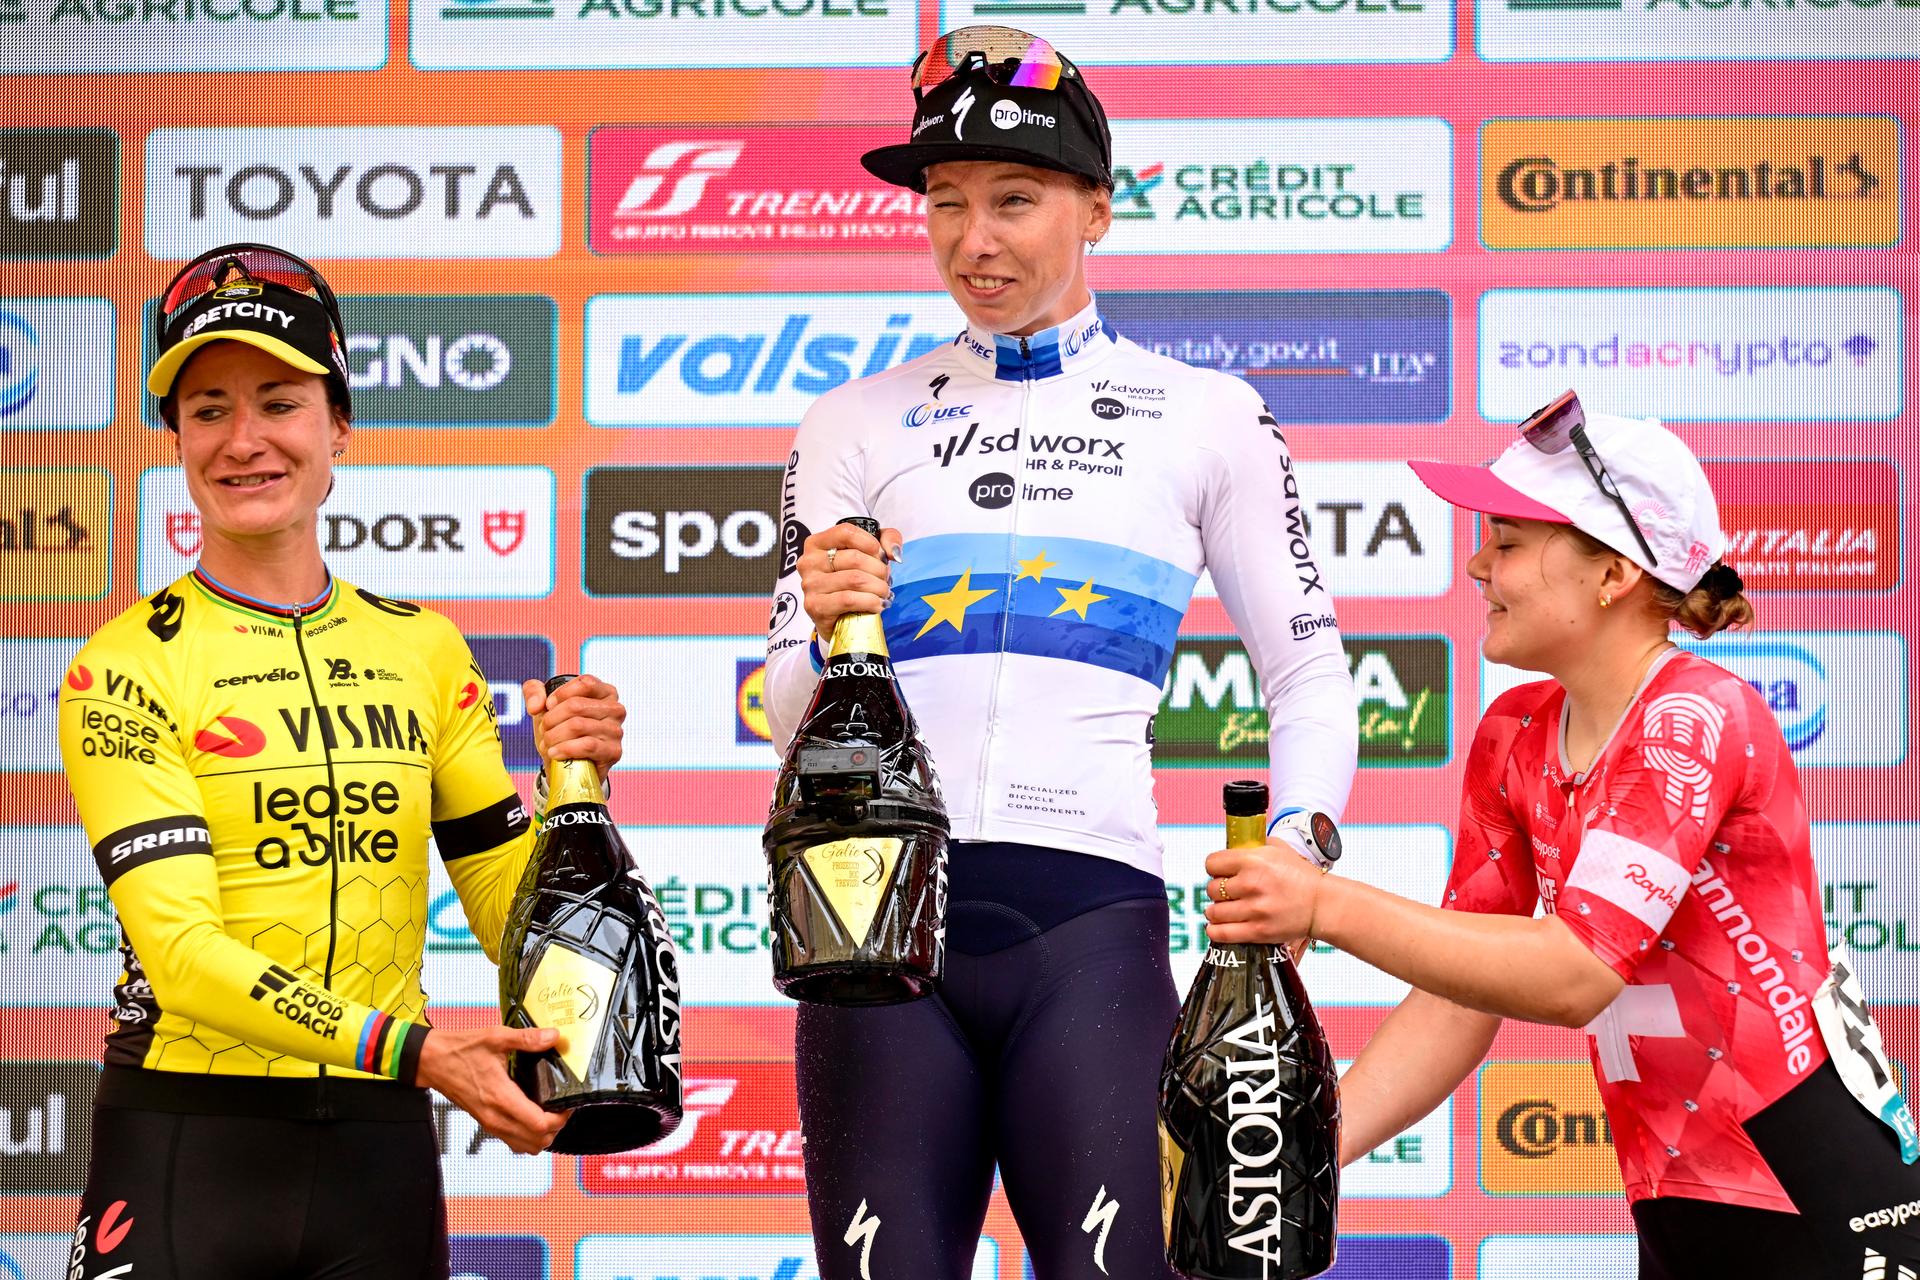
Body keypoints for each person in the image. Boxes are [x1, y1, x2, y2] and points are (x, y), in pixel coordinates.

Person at [762, 28, 1358, 1280]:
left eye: (1015, 200)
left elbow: (1307, 674)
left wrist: (1299, 850)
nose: (974, 240)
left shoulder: (1209, 416)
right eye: (946, 203)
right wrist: (822, 629)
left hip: (1088, 926)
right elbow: (786, 712)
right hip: (871, 929)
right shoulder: (852, 420)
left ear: (1097, 208)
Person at [1202, 391, 1920, 1278]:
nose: (1477, 567)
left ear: (1614, 573)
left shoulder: (1695, 715)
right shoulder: (1515, 732)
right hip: (1675, 1207)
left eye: (1507, 544)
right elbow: (1460, 997)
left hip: (1813, 1191)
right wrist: (1310, 1153)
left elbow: (1576, 971)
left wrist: (1321, 904)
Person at [57, 242, 627, 1279]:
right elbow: (182, 956)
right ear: (177, 440)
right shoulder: (125, 664)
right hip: (187, 1138)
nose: (243, 441)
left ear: (339, 428)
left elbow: (510, 919)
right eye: (209, 411)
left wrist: (572, 795)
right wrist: (420, 1052)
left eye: (278, 403)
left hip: (377, 1157)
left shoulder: (425, 649)